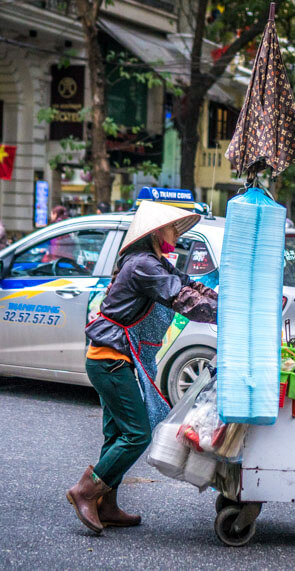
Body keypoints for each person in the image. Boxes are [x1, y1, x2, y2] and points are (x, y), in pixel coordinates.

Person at [69, 202, 218, 534]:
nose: (174, 236)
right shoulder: (142, 266)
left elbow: (191, 288)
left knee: (116, 435)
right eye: (170, 230)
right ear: (154, 233)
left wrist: (225, 302)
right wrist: (224, 314)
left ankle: (107, 506)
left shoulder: (155, 262)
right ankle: (86, 491)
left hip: (112, 358)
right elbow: (185, 301)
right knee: (136, 434)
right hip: (109, 360)